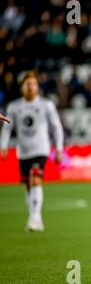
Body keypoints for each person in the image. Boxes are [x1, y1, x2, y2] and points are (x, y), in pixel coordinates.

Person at [1, 71, 64, 232]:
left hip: (41, 149)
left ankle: (34, 218)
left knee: (35, 178)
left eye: (33, 84)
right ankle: (36, 217)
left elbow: (56, 127)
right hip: (23, 152)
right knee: (29, 185)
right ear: (22, 87)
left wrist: (58, 148)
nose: (30, 87)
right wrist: (3, 146)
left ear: (37, 87)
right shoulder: (14, 106)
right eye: (27, 84)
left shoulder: (46, 105)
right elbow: (7, 129)